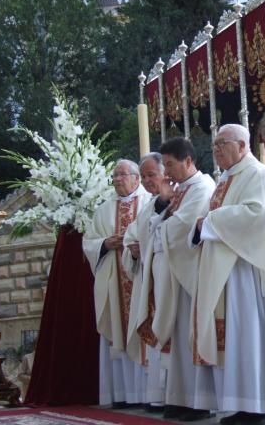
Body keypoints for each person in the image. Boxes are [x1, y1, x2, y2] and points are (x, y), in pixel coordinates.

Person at [191, 124, 265, 425]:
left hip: (247, 273)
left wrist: (210, 220)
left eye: (221, 144)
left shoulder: (257, 174)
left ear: (241, 145)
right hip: (226, 272)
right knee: (235, 342)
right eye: (214, 145)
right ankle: (241, 405)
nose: (216, 150)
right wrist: (204, 226)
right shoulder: (227, 178)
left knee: (252, 340)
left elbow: (256, 214)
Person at [151, 138, 217, 421]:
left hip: (192, 271)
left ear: (188, 161)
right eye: (163, 165)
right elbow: (157, 225)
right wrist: (163, 203)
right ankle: (179, 397)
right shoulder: (180, 190)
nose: (166, 172)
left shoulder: (202, 188)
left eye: (170, 165)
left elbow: (181, 228)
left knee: (191, 334)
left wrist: (161, 228)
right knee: (177, 337)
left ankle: (198, 401)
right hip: (174, 272)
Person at [83, 159, 153, 407]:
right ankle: (123, 394)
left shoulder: (149, 202)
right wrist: (104, 244)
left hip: (143, 279)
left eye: (122, 175)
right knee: (118, 328)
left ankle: (148, 395)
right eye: (114, 176)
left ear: (136, 177)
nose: (117, 180)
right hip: (114, 280)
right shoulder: (104, 209)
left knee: (144, 327)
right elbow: (88, 241)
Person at [122, 153, 168, 411]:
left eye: (152, 174)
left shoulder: (174, 198)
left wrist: (147, 247)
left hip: (168, 279)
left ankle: (170, 393)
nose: (149, 180)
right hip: (151, 280)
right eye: (146, 176)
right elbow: (133, 236)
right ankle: (157, 394)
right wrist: (133, 250)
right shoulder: (150, 205)